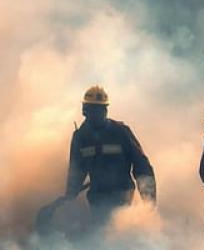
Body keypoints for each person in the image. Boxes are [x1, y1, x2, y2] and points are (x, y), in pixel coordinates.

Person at [61, 85, 156, 225]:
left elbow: (141, 165)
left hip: (122, 193)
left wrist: (149, 199)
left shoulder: (121, 132)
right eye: (94, 110)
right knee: (101, 231)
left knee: (118, 228)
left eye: (101, 109)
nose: (99, 113)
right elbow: (76, 170)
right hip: (97, 197)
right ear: (85, 111)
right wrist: (70, 194)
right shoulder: (81, 137)